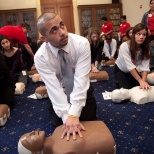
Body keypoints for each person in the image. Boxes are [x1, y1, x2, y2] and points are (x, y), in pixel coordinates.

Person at [34, 12, 97, 141]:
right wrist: (66, 117)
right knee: (59, 126)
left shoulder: (82, 44)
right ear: (44, 39)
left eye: (62, 25)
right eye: (54, 30)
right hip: (60, 93)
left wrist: (73, 115)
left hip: (82, 91)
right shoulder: (40, 57)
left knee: (88, 124)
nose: (62, 32)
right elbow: (54, 89)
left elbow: (81, 80)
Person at [18, 121, 116, 154]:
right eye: (28, 139)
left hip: (102, 130)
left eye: (28, 133)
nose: (31, 132)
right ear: (36, 153)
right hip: (107, 142)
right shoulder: (61, 152)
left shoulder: (57, 130)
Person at [114, 23, 151, 90]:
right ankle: (118, 80)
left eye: (144, 34)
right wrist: (140, 80)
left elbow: (145, 67)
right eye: (138, 34)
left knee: (141, 87)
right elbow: (130, 66)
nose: (141, 37)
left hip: (133, 70)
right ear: (133, 35)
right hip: (121, 69)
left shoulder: (146, 49)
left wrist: (143, 82)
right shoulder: (124, 46)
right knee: (126, 90)